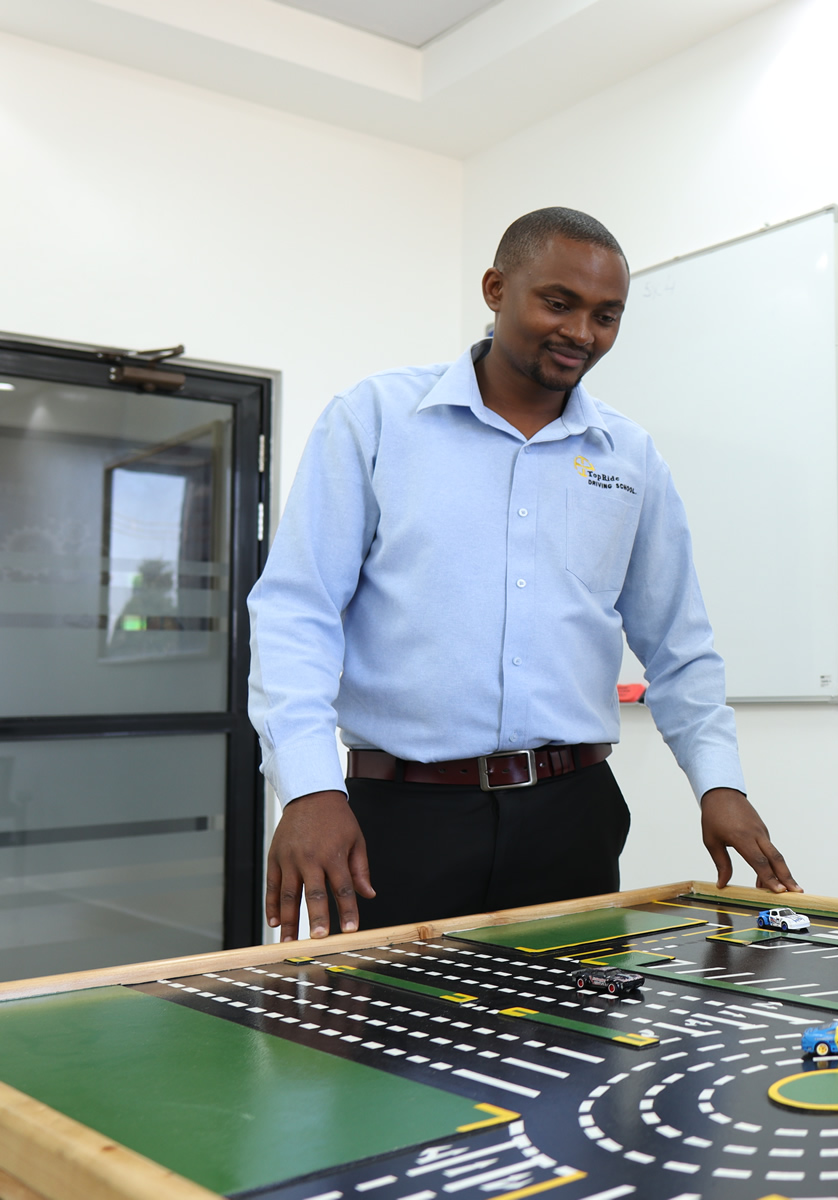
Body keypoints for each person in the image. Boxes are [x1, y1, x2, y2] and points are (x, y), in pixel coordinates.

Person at [249, 207, 799, 942]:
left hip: (572, 816)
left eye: (606, 315)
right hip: (402, 819)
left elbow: (679, 645)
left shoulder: (629, 456)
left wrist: (718, 782)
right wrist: (309, 787)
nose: (581, 332)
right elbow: (298, 610)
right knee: (391, 1018)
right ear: (496, 288)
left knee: (570, 1018)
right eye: (558, 303)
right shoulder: (376, 419)